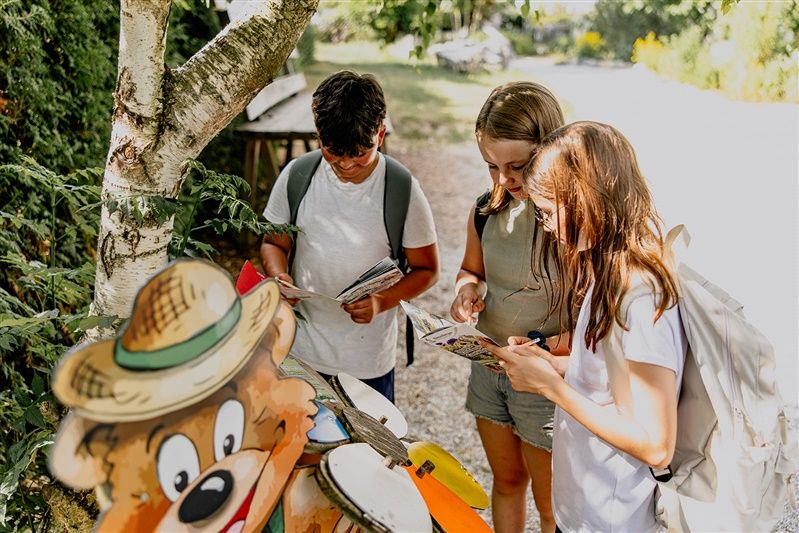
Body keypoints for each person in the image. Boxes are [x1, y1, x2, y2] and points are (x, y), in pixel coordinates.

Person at [483, 121, 687, 532]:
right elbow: (610, 379)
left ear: (586, 201)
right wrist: (553, 365)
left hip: (612, 519)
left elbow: (656, 445)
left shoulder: (643, 300)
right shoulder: (606, 267)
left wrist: (550, 387)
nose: (545, 226)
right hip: (580, 508)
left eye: (547, 212)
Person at [260, 70, 439, 403]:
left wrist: (381, 301)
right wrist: (279, 275)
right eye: (333, 151)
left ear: (380, 134)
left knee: (366, 437)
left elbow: (427, 269)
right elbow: (274, 243)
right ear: (318, 135)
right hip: (300, 351)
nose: (345, 164)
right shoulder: (297, 176)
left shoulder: (401, 190)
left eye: (358, 153)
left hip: (366, 362)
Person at [449, 82, 570, 533]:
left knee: (551, 504)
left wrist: (550, 351)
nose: (504, 179)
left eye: (517, 166)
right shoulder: (487, 210)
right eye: (492, 166)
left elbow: (596, 319)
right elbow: (470, 269)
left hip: (544, 378)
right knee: (507, 481)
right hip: (489, 368)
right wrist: (466, 290)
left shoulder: (567, 223)